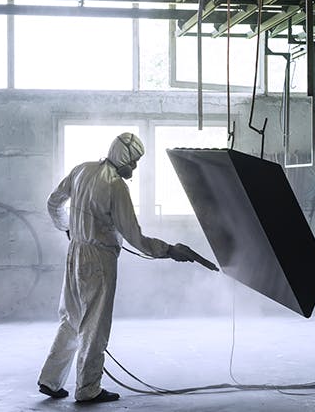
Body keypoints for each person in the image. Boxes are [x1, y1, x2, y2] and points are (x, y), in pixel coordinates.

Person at [38, 132, 206, 403]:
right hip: (99, 262)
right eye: (134, 161)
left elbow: (53, 202)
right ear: (124, 158)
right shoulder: (116, 186)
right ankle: (88, 389)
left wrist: (66, 227)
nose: (135, 168)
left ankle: (50, 379)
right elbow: (135, 237)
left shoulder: (82, 170)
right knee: (95, 325)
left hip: (75, 252)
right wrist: (169, 250)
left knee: (71, 317)